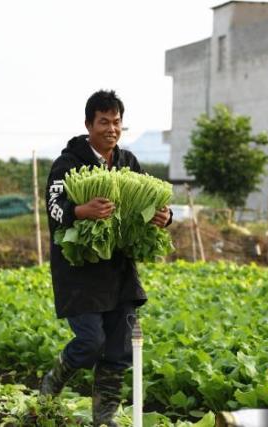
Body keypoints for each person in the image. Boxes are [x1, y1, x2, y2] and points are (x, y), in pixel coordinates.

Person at [41, 90, 172, 426]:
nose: (111, 128)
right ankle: (50, 386)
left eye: (117, 122)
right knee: (90, 341)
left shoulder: (128, 163)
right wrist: (81, 211)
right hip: (80, 271)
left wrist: (164, 217)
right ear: (89, 125)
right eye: (104, 122)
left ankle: (104, 418)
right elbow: (55, 208)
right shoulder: (68, 163)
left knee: (119, 346)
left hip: (119, 271)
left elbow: (149, 205)